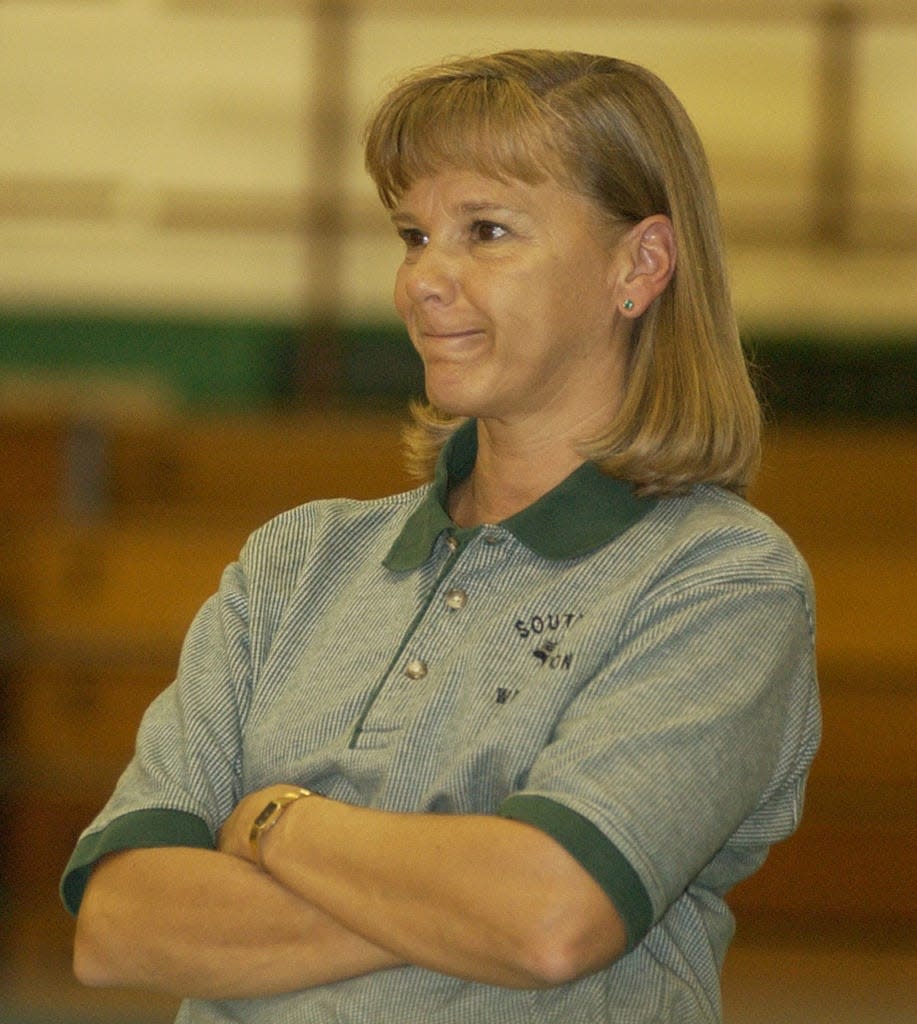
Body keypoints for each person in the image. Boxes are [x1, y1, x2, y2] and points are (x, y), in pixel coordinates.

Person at [62, 50, 820, 1023]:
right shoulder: (290, 565)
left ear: (638, 266)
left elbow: (551, 917)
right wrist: (464, 895)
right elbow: (121, 925)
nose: (423, 279)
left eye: (486, 231)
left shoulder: (721, 582)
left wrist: (275, 824)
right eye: (414, 234)